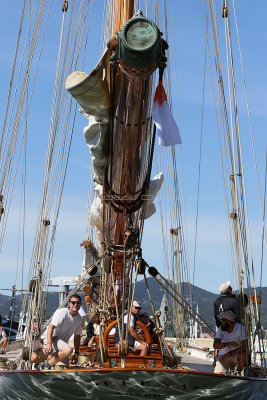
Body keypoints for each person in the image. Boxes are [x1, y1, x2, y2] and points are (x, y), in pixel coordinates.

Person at [31, 294, 82, 369]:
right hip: (51, 338)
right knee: (69, 350)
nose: (75, 305)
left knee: (65, 369)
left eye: (78, 303)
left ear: (80, 304)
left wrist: (77, 353)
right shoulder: (62, 312)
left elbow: (77, 336)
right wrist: (49, 343)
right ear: (69, 303)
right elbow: (51, 327)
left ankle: (39, 366)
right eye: (73, 303)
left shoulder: (79, 319)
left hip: (61, 343)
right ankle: (44, 366)